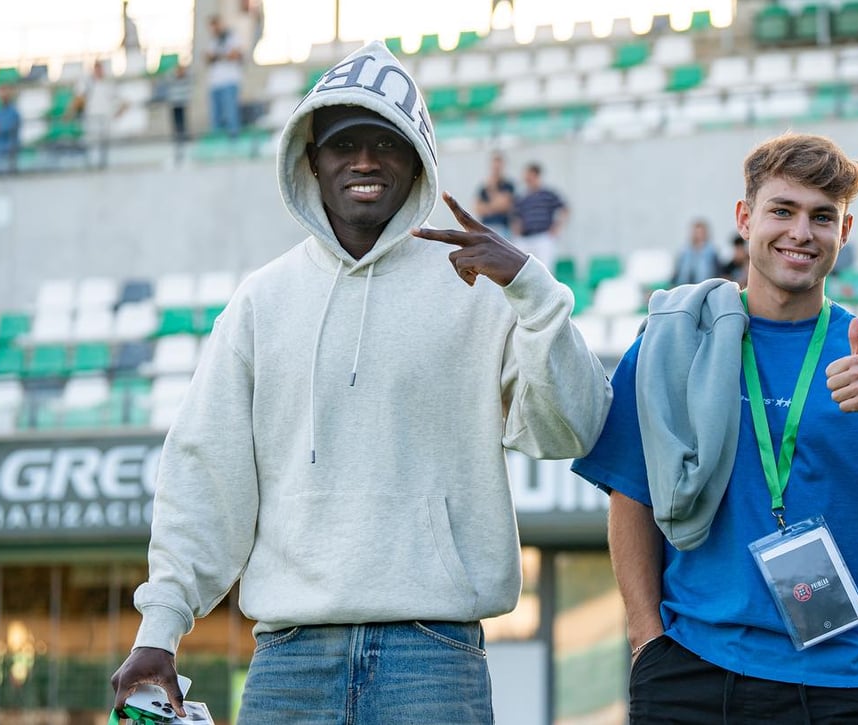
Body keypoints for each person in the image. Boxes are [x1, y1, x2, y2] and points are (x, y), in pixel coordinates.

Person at [109, 41, 611, 723]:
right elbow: (205, 474)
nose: (367, 161)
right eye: (346, 143)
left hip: (432, 653)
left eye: (386, 142)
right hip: (289, 657)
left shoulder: (480, 287)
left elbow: (570, 430)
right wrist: (159, 628)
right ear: (311, 158)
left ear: (418, 159)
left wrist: (532, 291)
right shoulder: (262, 301)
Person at [573, 133, 858, 723]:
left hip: (835, 681)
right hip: (689, 666)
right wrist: (646, 641)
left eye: (822, 217)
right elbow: (632, 495)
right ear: (744, 217)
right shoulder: (673, 345)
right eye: (783, 210)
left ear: (844, 232)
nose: (801, 233)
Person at [511, 162, 567, 273]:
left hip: (543, 237)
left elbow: (564, 209)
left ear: (536, 175)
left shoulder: (548, 194)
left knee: (546, 269)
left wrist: (557, 228)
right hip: (525, 238)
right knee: (520, 268)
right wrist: (516, 230)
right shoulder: (522, 197)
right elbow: (516, 217)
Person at [71, 60, 128, 169]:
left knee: (107, 147)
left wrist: (119, 113)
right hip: (92, 119)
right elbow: (78, 100)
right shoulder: (87, 84)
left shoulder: (109, 84)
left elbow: (123, 101)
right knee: (93, 146)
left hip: (106, 120)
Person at [205, 14, 244, 137]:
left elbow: (235, 55)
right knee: (216, 117)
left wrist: (217, 56)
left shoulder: (232, 37)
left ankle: (233, 140)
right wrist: (222, 56)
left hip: (229, 81)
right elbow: (207, 58)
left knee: (231, 114)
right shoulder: (213, 41)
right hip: (215, 83)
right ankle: (218, 141)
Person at [474, 150, 515, 238]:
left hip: (502, 228)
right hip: (486, 227)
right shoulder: (484, 187)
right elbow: (478, 209)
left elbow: (504, 206)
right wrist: (494, 206)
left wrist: (492, 188)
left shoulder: (508, 185)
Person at [670, 218, 721, 286]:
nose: (698, 236)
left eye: (701, 233)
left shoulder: (712, 252)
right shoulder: (684, 252)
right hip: (683, 286)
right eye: (696, 232)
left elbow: (717, 272)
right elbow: (677, 272)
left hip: (704, 287)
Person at [164, 63, 192, 164]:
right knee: (176, 122)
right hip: (175, 104)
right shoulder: (172, 77)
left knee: (183, 121)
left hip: (182, 103)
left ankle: (183, 136)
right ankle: (177, 136)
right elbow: (167, 78)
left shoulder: (186, 77)